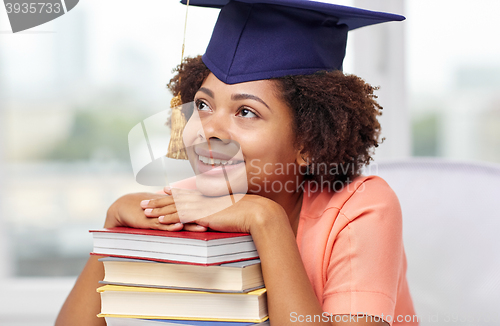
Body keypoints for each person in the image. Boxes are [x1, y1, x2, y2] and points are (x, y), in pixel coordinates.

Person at [56, 0, 417, 325]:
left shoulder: (361, 209)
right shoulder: (188, 204)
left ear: (308, 140)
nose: (209, 130)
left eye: (246, 112)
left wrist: (265, 219)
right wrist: (114, 235)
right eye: (202, 105)